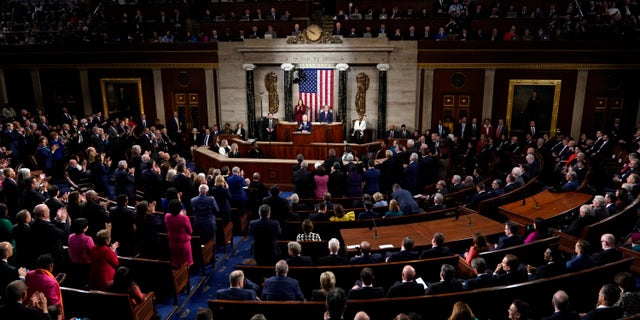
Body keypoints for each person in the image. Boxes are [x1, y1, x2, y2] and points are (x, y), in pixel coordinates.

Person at [164, 199, 193, 269]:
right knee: (186, 264)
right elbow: (190, 231)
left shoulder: (167, 216)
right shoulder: (185, 218)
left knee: (176, 263)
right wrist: (182, 215)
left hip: (172, 243)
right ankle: (187, 279)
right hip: (183, 243)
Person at [66, 218, 93, 287]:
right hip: (85, 265)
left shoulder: (70, 237)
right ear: (84, 228)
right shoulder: (88, 239)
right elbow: (92, 252)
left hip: (73, 264)